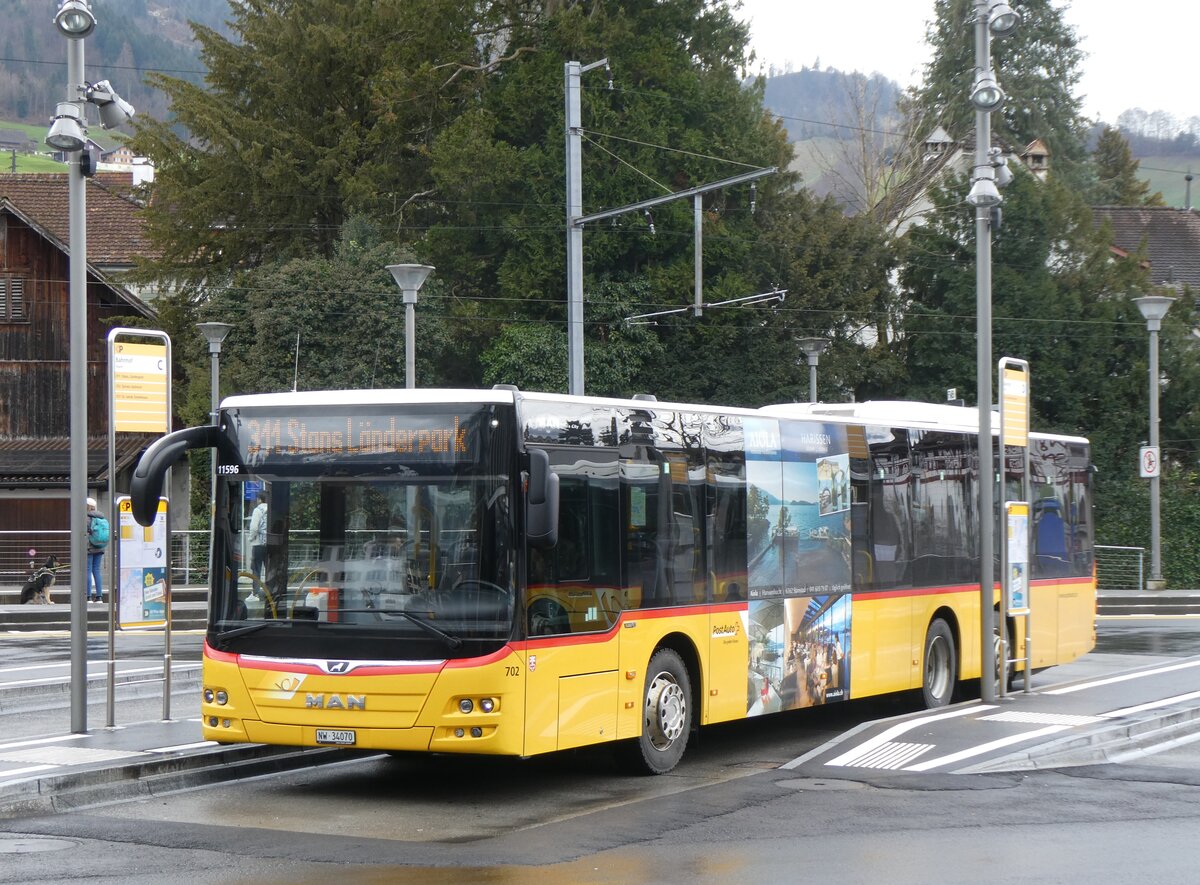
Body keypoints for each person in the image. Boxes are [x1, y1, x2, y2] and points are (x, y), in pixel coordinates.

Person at [85, 497, 109, 603]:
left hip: (89, 547)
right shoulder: (102, 518)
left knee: (88, 571)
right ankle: (99, 597)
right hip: (100, 547)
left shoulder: (86, 517)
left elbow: (84, 533)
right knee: (97, 570)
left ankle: (88, 596)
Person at [248, 491, 268, 582]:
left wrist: (250, 538)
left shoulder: (257, 510)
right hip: (270, 543)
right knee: (269, 568)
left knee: (256, 569)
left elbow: (254, 528)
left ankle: (255, 592)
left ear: (260, 499)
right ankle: (270, 592)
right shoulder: (271, 509)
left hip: (258, 544)